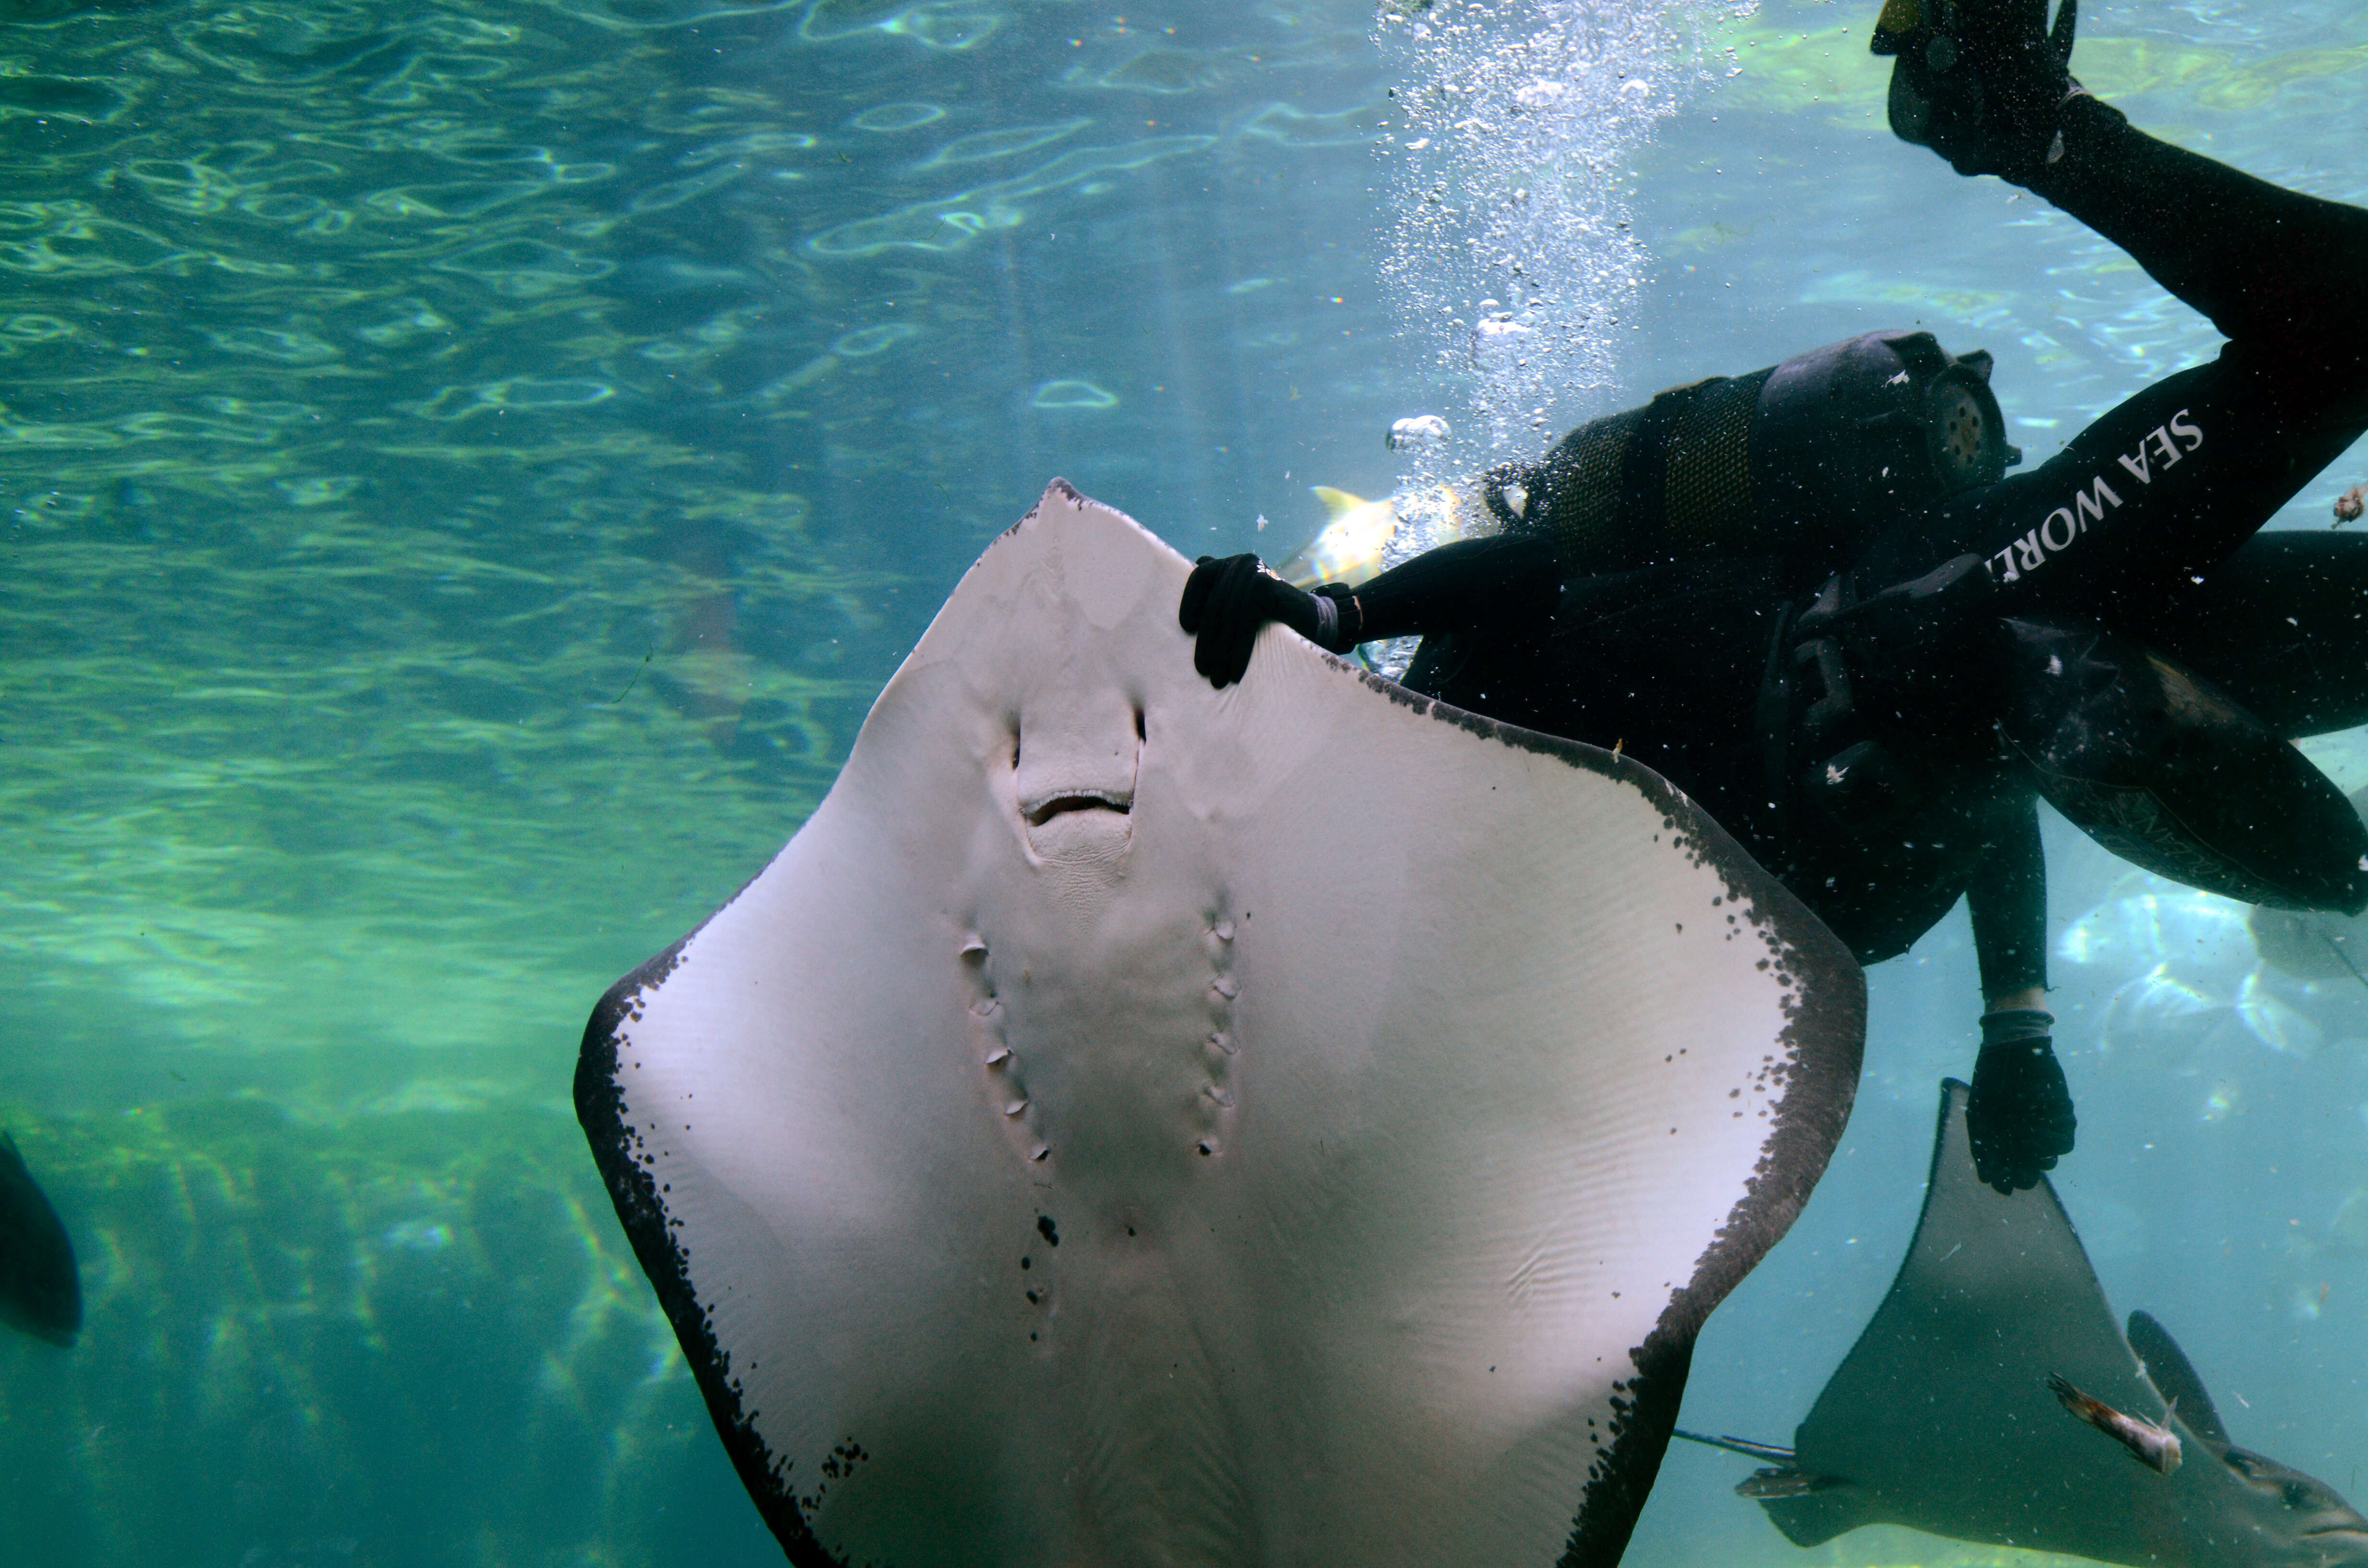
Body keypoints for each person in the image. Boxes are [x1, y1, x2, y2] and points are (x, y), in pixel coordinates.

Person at [1179, 0, 2368, 1194]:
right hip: (1971, 671)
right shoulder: (1509, 812)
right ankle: (2017, 123)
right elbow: (1998, 784)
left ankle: (2015, 124)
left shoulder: (1489, 713)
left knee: (2322, 353)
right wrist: (2018, 1025)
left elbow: (1533, 567)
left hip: (1947, 664)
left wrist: (1339, 615)